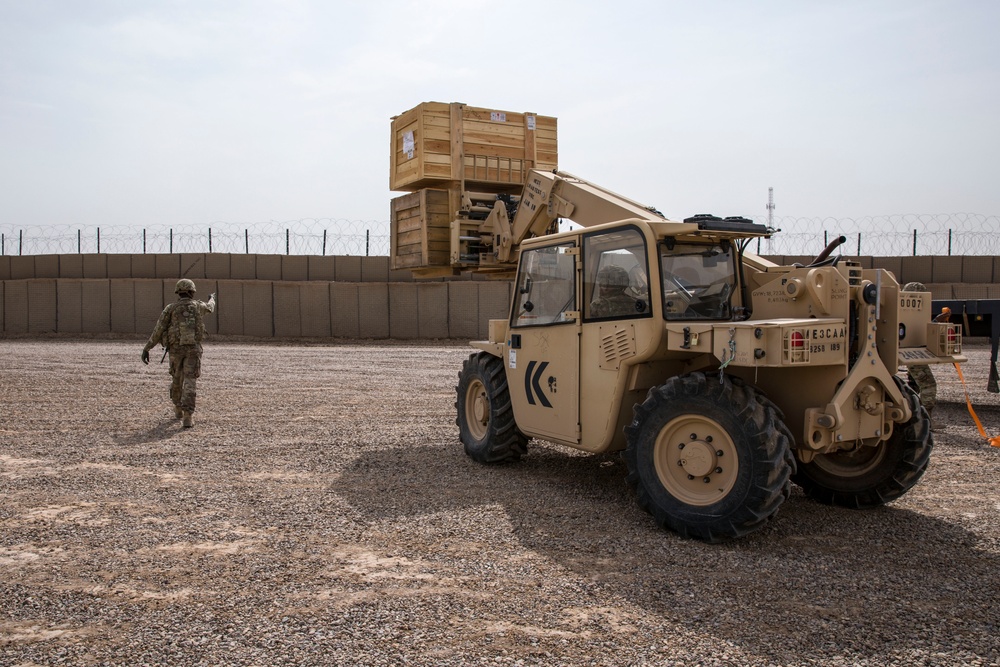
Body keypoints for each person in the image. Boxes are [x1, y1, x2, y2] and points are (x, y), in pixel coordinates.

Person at [141, 279, 217, 428]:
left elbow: (159, 329)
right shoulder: (197, 306)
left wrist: (147, 348)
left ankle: (178, 408)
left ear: (178, 291)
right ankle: (188, 416)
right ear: (192, 291)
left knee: (177, 379)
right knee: (190, 381)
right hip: (193, 350)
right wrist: (212, 298)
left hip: (176, 350)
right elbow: (210, 308)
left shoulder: (171, 308)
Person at [902, 281, 939, 418]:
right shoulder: (909, 312)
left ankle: (914, 418)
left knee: (913, 386)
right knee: (929, 385)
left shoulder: (905, 311)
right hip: (911, 353)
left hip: (912, 353)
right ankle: (926, 420)